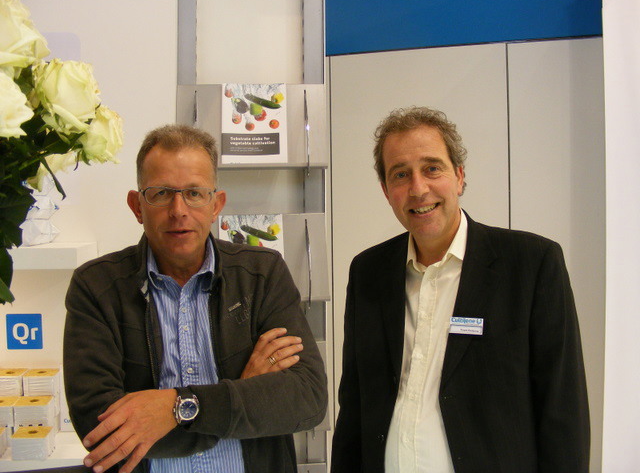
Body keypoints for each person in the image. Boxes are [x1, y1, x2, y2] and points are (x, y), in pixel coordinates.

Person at [331, 107, 590, 473]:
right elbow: (354, 407)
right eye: (401, 174)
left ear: (459, 176)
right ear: (387, 191)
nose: (418, 188)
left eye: (432, 168)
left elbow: (563, 410)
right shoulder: (368, 272)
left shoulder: (531, 264)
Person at [63, 124, 327, 473]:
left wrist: (177, 407)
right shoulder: (96, 286)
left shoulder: (262, 274)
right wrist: (241, 395)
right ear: (137, 206)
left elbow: (306, 398)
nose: (178, 210)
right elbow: (101, 429)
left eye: (194, 193)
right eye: (161, 193)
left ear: (216, 205)